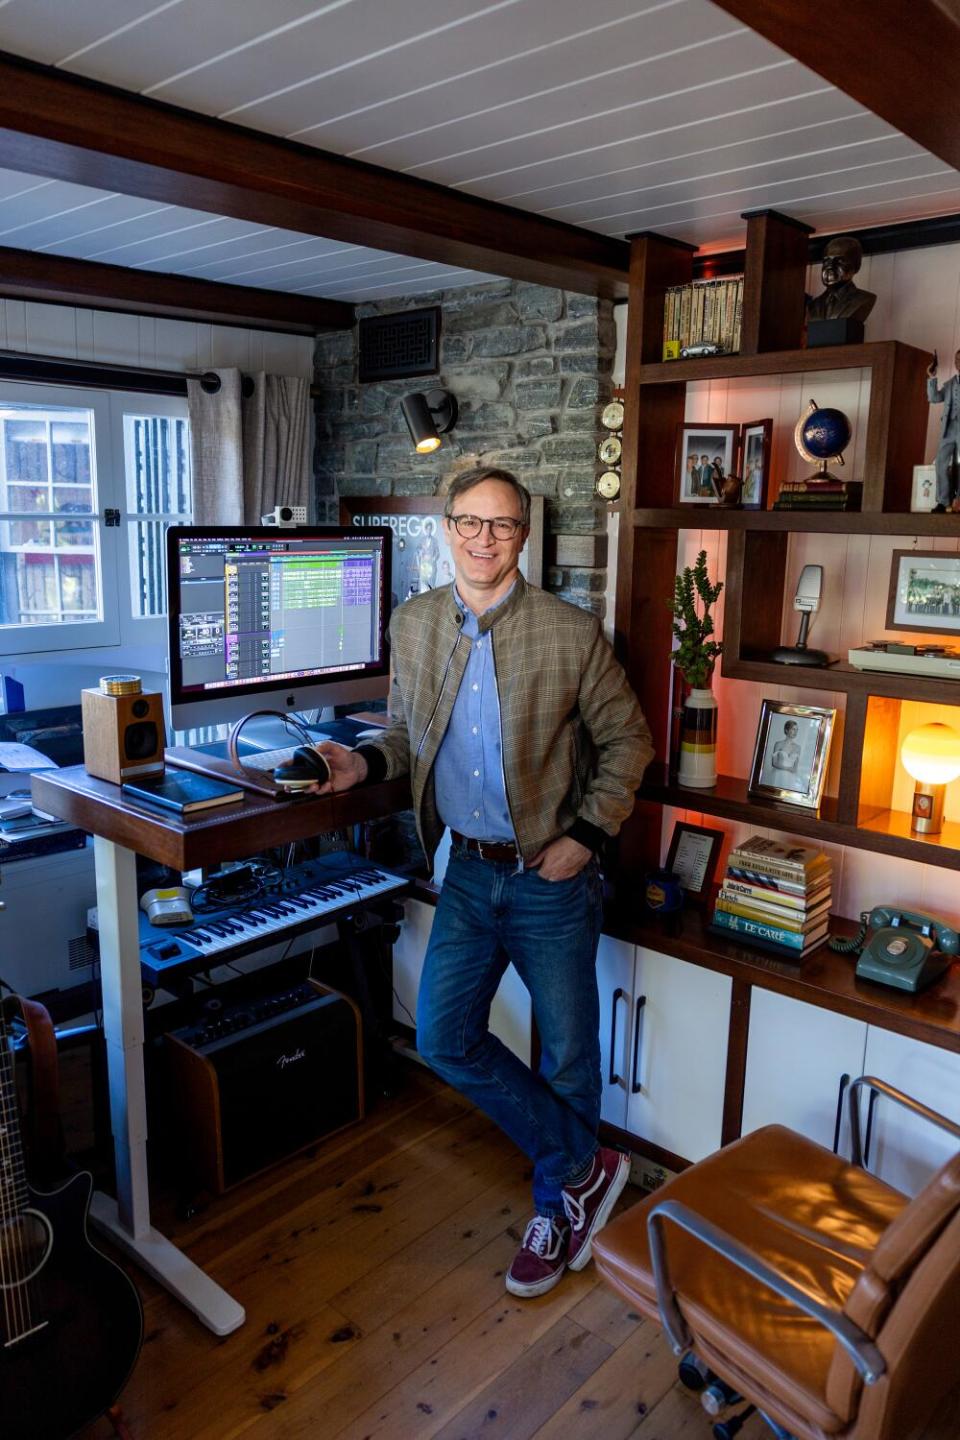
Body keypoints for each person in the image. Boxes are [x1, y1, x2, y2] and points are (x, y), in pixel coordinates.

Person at [310, 466, 653, 1299]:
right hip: (466, 868)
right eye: (469, 521)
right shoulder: (417, 623)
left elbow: (630, 743)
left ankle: (556, 1209)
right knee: (442, 1037)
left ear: (523, 536)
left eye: (501, 525)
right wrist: (362, 762)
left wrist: (586, 837)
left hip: (550, 877)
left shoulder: (570, 633)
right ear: (446, 527)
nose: (483, 538)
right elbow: (406, 733)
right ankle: (585, 1166)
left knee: (568, 1054)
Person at [806, 235, 876, 324]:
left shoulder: (865, 299)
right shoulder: (813, 305)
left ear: (856, 267)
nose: (830, 266)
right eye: (827, 261)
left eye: (840, 261)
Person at [926, 348, 960, 512]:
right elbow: (934, 398)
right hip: (949, 429)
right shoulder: (950, 384)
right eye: (957, 360)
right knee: (941, 462)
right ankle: (943, 501)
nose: (959, 363)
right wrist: (932, 377)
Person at [770, 720, 802, 788]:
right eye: (793, 729)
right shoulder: (778, 744)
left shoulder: (798, 748)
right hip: (778, 776)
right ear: (786, 730)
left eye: (797, 730)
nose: (795, 732)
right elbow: (774, 763)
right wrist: (787, 768)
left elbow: (795, 768)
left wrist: (791, 770)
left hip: (790, 778)